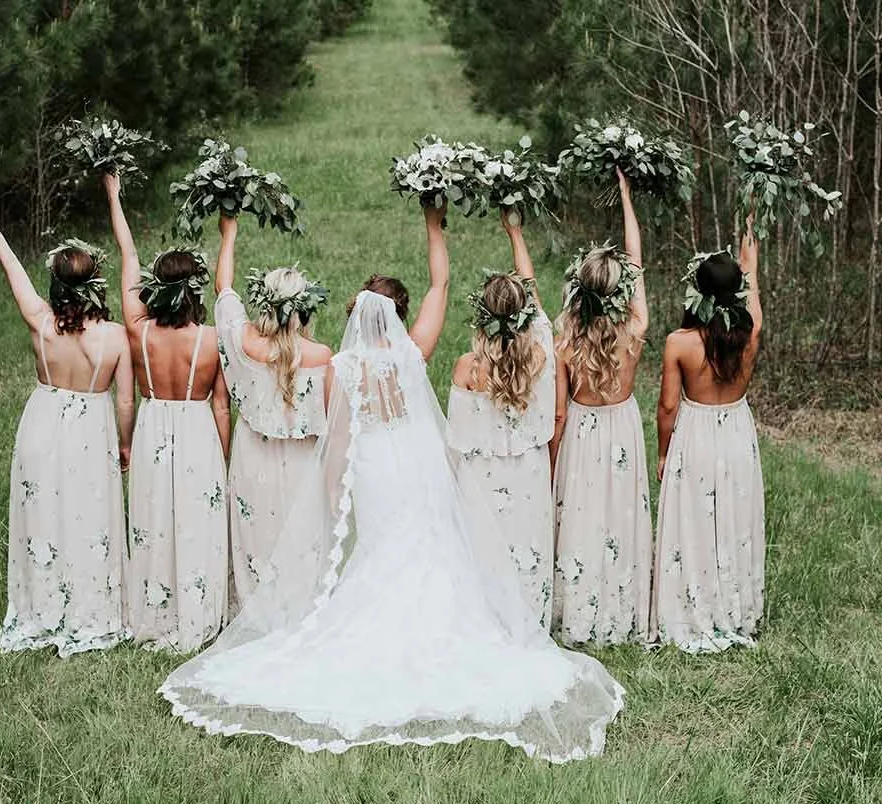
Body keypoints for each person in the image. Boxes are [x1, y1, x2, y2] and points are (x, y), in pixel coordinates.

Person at [159, 290, 624, 762]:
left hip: (375, 460)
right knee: (426, 539)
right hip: (417, 454)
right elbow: (422, 388)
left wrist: (334, 485)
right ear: (393, 323)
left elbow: (339, 434)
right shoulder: (408, 354)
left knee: (382, 544)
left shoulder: (343, 366)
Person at [0, 202, 133, 657]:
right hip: (90, 431)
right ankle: (88, 606)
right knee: (88, 515)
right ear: (95, 284)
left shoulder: (39, 320)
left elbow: (9, 261)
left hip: (42, 422)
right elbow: (125, 400)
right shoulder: (114, 336)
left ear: (55, 283)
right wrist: (125, 444)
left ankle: (41, 607)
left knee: (42, 514)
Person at [106, 174, 230, 652]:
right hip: (197, 427)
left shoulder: (138, 332)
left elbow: (128, 258)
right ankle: (200, 609)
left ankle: (155, 607)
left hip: (154, 425)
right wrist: (223, 455)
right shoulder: (213, 339)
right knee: (197, 518)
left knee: (154, 516)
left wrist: (115, 197)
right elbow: (221, 406)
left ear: (155, 289)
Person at [651, 214, 764, 653]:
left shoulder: (679, 343)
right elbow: (751, 277)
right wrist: (751, 231)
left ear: (696, 292)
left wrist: (663, 453)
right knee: (733, 519)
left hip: (695, 433)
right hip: (736, 432)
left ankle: (691, 604)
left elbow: (667, 407)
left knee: (695, 520)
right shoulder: (750, 333)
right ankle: (733, 607)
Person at [551, 168, 653, 646]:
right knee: (620, 514)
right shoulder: (635, 329)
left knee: (582, 513)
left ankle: (578, 606)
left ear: (578, 293)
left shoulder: (566, 339)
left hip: (584, 431)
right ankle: (621, 606)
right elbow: (636, 262)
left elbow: (558, 412)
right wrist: (627, 200)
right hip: (622, 428)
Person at [214, 213, 331, 616]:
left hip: (252, 460)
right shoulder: (321, 357)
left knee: (256, 538)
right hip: (303, 464)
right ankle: (300, 613)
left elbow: (224, 290)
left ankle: (253, 616)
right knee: (299, 540)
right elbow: (332, 422)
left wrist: (229, 233)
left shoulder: (243, 341)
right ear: (304, 308)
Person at [447, 210, 556, 628]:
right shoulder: (541, 356)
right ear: (526, 316)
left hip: (482, 478)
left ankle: (484, 623)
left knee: (484, 551)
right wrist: (516, 232)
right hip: (527, 472)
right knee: (525, 546)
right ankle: (526, 623)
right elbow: (533, 294)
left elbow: (457, 438)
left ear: (482, 318)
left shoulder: (466, 369)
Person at [348, 202, 449, 361]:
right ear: (399, 314)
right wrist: (433, 224)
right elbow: (440, 285)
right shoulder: (412, 356)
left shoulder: (339, 367)